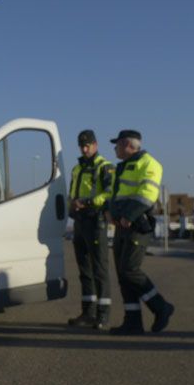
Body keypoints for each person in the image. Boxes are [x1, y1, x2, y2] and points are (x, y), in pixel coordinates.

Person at [106, 130, 175, 334]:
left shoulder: (149, 164)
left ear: (127, 144)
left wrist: (129, 215)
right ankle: (133, 322)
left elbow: (147, 194)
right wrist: (108, 211)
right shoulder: (121, 167)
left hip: (136, 225)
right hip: (121, 226)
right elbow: (114, 195)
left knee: (129, 270)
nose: (115, 149)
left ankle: (161, 307)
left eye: (116, 144)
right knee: (123, 275)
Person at [67, 130, 116, 329]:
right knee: (84, 271)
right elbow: (72, 192)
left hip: (96, 221)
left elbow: (109, 193)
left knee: (100, 270)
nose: (84, 149)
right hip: (80, 222)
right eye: (81, 146)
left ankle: (103, 315)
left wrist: (87, 202)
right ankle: (88, 313)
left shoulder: (105, 167)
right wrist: (73, 205)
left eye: (88, 145)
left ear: (95, 145)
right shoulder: (77, 168)